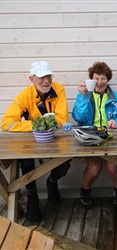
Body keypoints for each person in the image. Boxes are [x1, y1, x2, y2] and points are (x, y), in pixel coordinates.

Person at [1, 61, 71, 222]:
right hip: (31, 139)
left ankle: (52, 181)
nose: (46, 81)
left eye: (48, 76)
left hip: (55, 137)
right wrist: (36, 125)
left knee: (67, 158)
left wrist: (43, 124)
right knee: (25, 160)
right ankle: (32, 198)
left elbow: (61, 119)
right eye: (41, 77)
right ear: (31, 79)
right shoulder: (24, 95)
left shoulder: (59, 89)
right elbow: (7, 123)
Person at [72, 61, 117, 209]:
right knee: (95, 167)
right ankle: (85, 190)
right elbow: (78, 117)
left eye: (103, 78)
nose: (99, 82)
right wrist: (82, 96)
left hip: (111, 137)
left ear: (108, 79)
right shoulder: (86, 96)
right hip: (90, 137)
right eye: (96, 78)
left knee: (113, 167)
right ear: (91, 79)